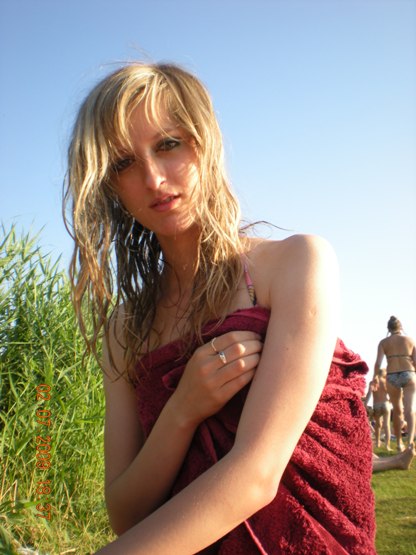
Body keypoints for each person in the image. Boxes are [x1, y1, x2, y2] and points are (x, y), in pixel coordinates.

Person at [64, 62, 375, 554]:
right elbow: (125, 514)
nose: (153, 178)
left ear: (206, 143)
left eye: (169, 144)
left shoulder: (295, 264)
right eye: (123, 163)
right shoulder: (124, 328)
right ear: (109, 186)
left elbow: (257, 473)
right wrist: (181, 410)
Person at [372, 316, 416, 451]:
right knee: (410, 409)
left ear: (388, 328)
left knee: (397, 410)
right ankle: (410, 442)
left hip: (391, 375)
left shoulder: (383, 343)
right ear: (400, 327)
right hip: (409, 373)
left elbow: (378, 363)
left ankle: (398, 442)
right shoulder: (410, 340)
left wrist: (375, 377)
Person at [364, 368, 392, 450]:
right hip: (386, 404)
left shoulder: (373, 382)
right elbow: (392, 394)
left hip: (377, 405)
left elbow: (369, 394)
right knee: (387, 425)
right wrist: (390, 401)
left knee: (378, 425)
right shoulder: (386, 382)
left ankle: (377, 443)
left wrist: (365, 404)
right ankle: (387, 445)